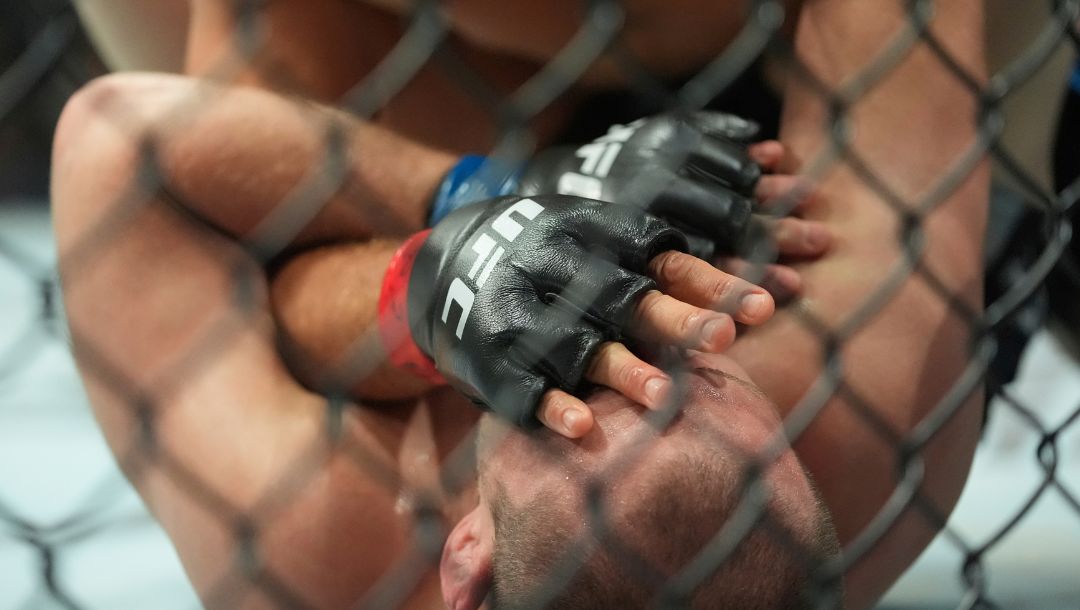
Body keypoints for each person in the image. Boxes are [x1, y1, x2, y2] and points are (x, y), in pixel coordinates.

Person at [54, 0, 989, 607]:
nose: (607, 326)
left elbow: (122, 143)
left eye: (571, 408)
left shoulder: (321, 546)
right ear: (800, 464)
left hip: (383, 77)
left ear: (466, 562)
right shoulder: (865, 425)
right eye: (697, 372)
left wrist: (481, 208)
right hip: (746, 72)